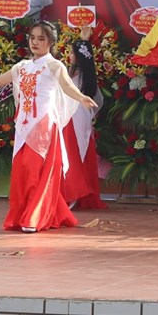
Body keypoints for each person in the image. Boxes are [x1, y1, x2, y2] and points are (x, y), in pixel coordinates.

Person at [0, 21, 97, 232]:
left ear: (51, 42)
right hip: (23, 126)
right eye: (32, 38)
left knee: (36, 170)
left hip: (44, 125)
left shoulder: (54, 65)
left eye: (41, 38)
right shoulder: (21, 67)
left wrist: (81, 97)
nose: (35, 42)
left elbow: (67, 86)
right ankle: (32, 214)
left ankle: (34, 217)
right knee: (23, 171)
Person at [62, 26, 107, 210]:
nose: (70, 56)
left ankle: (73, 192)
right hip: (77, 117)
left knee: (72, 153)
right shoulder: (83, 77)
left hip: (74, 118)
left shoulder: (75, 76)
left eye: (73, 53)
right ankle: (75, 193)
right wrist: (84, 39)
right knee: (73, 152)